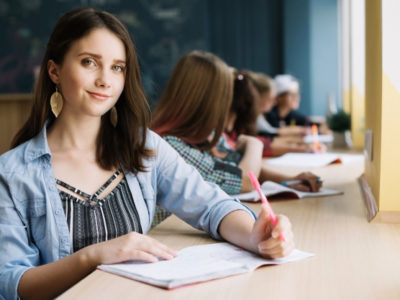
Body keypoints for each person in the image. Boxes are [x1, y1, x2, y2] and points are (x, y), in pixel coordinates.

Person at [0, 8, 294, 300]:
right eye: (89, 62)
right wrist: (92, 257)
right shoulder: (12, 173)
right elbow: (12, 283)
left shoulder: (145, 146)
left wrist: (255, 236)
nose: (105, 80)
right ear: (54, 70)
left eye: (117, 67)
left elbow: (210, 205)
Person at [151, 51, 322, 196]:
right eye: (225, 96)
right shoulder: (170, 144)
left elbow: (235, 167)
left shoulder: (204, 133)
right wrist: (254, 144)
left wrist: (289, 181)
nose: (227, 104)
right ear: (208, 99)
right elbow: (246, 182)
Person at [225, 71, 314, 157]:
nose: (274, 103)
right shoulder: (264, 116)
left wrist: (299, 145)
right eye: (270, 99)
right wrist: (298, 146)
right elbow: (268, 137)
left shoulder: (245, 122)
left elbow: (266, 139)